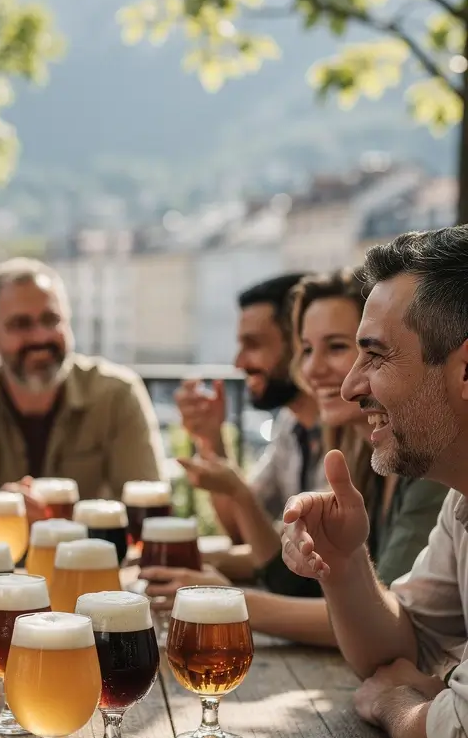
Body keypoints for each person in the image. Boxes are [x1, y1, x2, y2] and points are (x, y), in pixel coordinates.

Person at [171, 226, 468, 738]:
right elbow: (403, 639)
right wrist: (345, 566)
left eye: (373, 355)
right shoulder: (464, 501)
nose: (346, 385)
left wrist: (396, 704)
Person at [142, 268, 446, 645]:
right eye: (307, 350)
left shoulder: (419, 457)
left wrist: (225, 600)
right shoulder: (355, 447)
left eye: (337, 347)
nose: (314, 369)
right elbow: (292, 559)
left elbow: (393, 618)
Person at [0, 257, 167, 519]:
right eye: (21, 324)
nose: (40, 337)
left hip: (90, 557)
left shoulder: (117, 393)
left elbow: (150, 504)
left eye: (51, 320)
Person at [176, 274, 324, 576]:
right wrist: (211, 439)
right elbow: (244, 532)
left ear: (300, 344)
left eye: (253, 344)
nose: (238, 362)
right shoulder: (291, 423)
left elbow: (307, 575)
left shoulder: (350, 433)